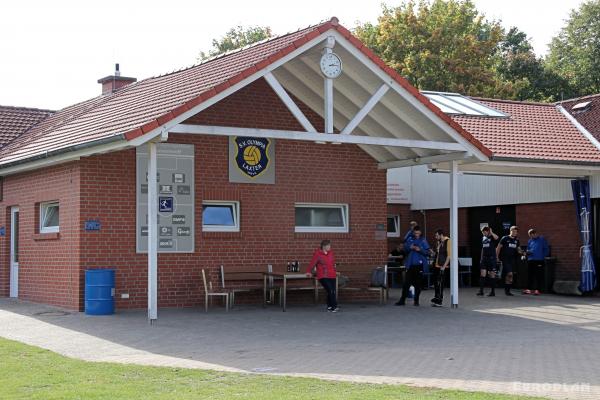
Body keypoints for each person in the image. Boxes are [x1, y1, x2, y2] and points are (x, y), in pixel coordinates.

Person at [395, 226, 430, 306]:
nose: (417, 234)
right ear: (413, 232)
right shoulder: (410, 239)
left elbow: (428, 253)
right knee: (406, 283)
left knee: (418, 284)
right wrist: (409, 247)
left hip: (419, 265)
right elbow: (404, 249)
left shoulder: (423, 240)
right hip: (410, 265)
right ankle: (402, 300)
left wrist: (420, 249)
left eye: (418, 233)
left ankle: (416, 301)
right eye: (415, 233)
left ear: (420, 232)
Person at [306, 239, 338, 312]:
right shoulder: (318, 254)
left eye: (330, 245)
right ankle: (334, 306)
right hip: (323, 275)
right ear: (324, 246)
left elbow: (332, 263)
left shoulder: (331, 253)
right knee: (330, 290)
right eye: (328, 245)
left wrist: (335, 271)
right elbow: (312, 263)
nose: (330, 247)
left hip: (332, 275)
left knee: (332, 291)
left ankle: (329, 306)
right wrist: (308, 271)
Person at [496, 226, 525, 296]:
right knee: (510, 274)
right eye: (513, 231)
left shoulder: (516, 240)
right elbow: (498, 248)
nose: (515, 233)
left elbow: (519, 250)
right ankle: (507, 290)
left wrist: (523, 252)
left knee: (509, 276)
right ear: (510, 231)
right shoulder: (505, 238)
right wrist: (496, 257)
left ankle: (507, 291)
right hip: (505, 259)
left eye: (516, 232)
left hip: (512, 260)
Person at [524, 229, 550, 295]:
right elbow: (528, 249)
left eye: (531, 235)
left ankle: (537, 290)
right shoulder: (530, 241)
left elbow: (546, 249)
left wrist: (542, 257)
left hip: (539, 260)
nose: (530, 237)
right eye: (529, 236)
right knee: (530, 275)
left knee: (538, 275)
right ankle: (528, 289)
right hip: (530, 260)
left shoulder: (542, 239)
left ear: (535, 233)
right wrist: (527, 252)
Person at [430, 229, 451, 306]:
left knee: (441, 283)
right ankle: (436, 297)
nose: (436, 237)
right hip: (436, 265)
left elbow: (449, 255)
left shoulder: (448, 241)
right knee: (435, 282)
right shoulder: (438, 242)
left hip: (442, 266)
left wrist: (444, 266)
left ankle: (440, 300)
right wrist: (433, 253)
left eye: (437, 235)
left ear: (441, 235)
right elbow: (438, 254)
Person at [477, 226, 499, 297]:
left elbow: (497, 238)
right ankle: (481, 291)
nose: (483, 233)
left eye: (484, 232)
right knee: (482, 274)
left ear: (488, 231)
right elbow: (483, 248)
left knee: (491, 274)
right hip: (484, 258)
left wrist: (491, 232)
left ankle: (492, 292)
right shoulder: (483, 238)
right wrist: (481, 258)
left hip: (492, 259)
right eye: (482, 232)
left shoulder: (492, 237)